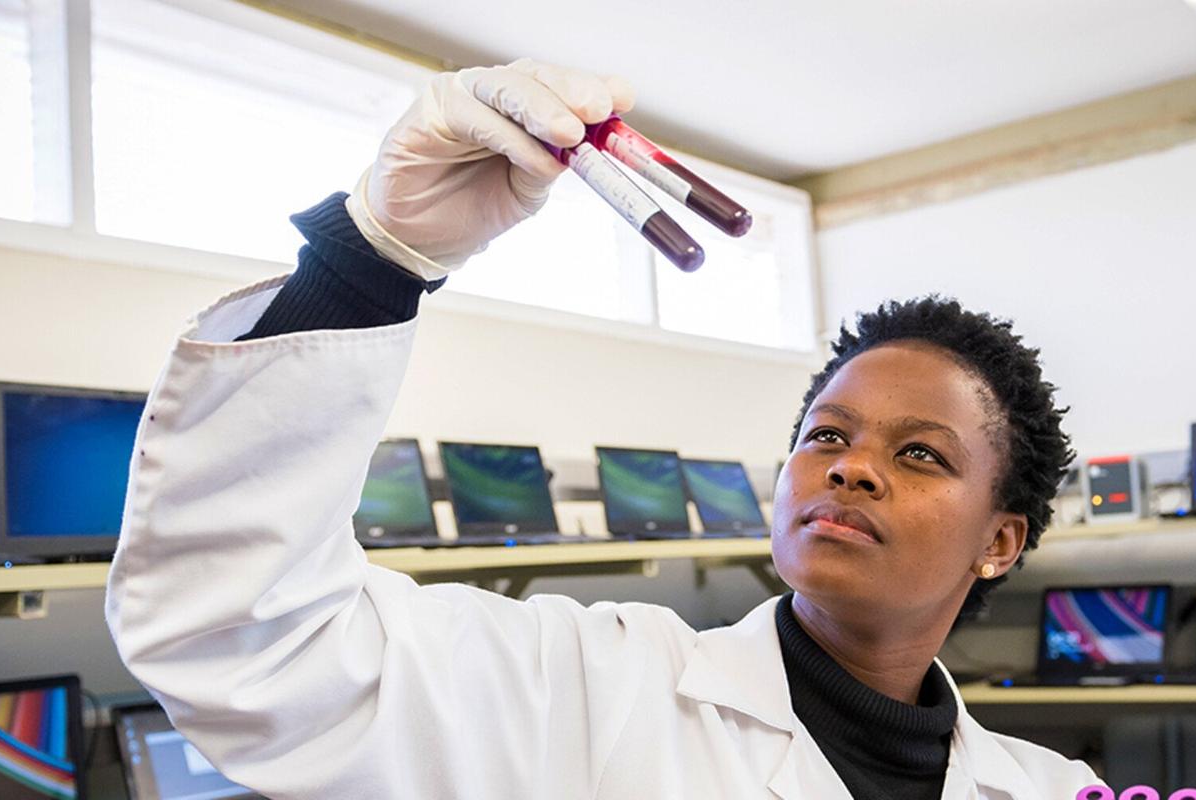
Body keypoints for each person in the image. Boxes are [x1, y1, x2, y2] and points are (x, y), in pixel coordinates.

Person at [105, 58, 1099, 799]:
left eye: (917, 452)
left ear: (999, 539)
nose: (850, 471)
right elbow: (247, 636)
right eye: (826, 435)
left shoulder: (1054, 787)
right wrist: (372, 254)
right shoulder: (583, 687)